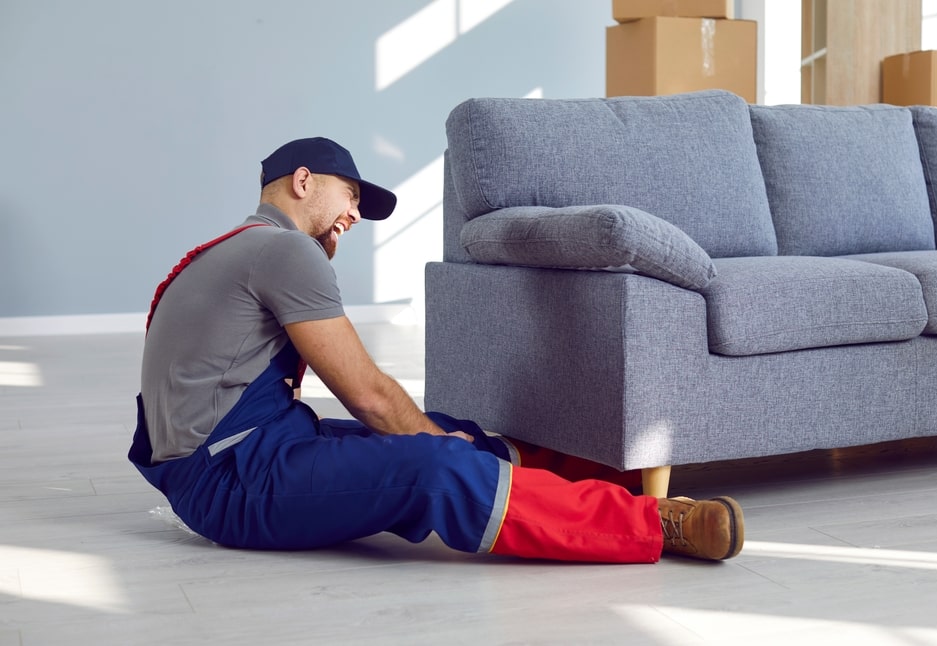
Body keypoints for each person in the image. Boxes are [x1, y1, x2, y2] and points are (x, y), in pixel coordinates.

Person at [128, 137, 745, 563]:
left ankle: (613, 479)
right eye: (350, 198)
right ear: (302, 181)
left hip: (251, 448)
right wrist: (428, 441)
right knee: (434, 467)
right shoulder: (285, 250)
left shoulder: (236, 247)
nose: (354, 216)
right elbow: (367, 394)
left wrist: (433, 432)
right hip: (232, 480)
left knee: (454, 433)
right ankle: (651, 525)